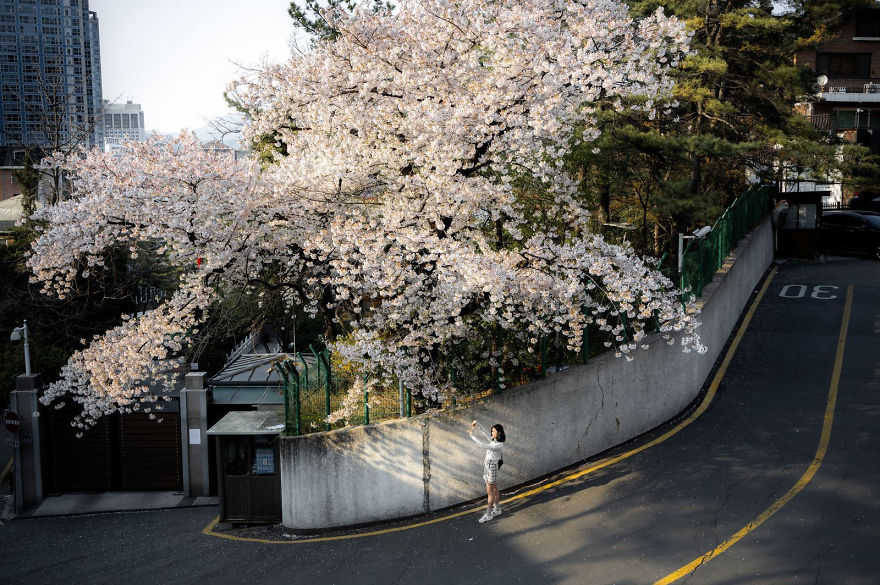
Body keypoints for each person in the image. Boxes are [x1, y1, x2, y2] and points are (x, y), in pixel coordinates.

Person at [469, 420, 506, 523]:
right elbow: (485, 432)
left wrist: (472, 435)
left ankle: (489, 514)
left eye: (493, 431)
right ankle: (497, 509)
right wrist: (478, 424)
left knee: (490, 492)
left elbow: (482, 445)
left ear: (499, 433)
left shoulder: (498, 445)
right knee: (494, 488)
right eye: (492, 431)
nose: (491, 433)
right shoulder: (494, 440)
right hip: (488, 466)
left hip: (492, 468)